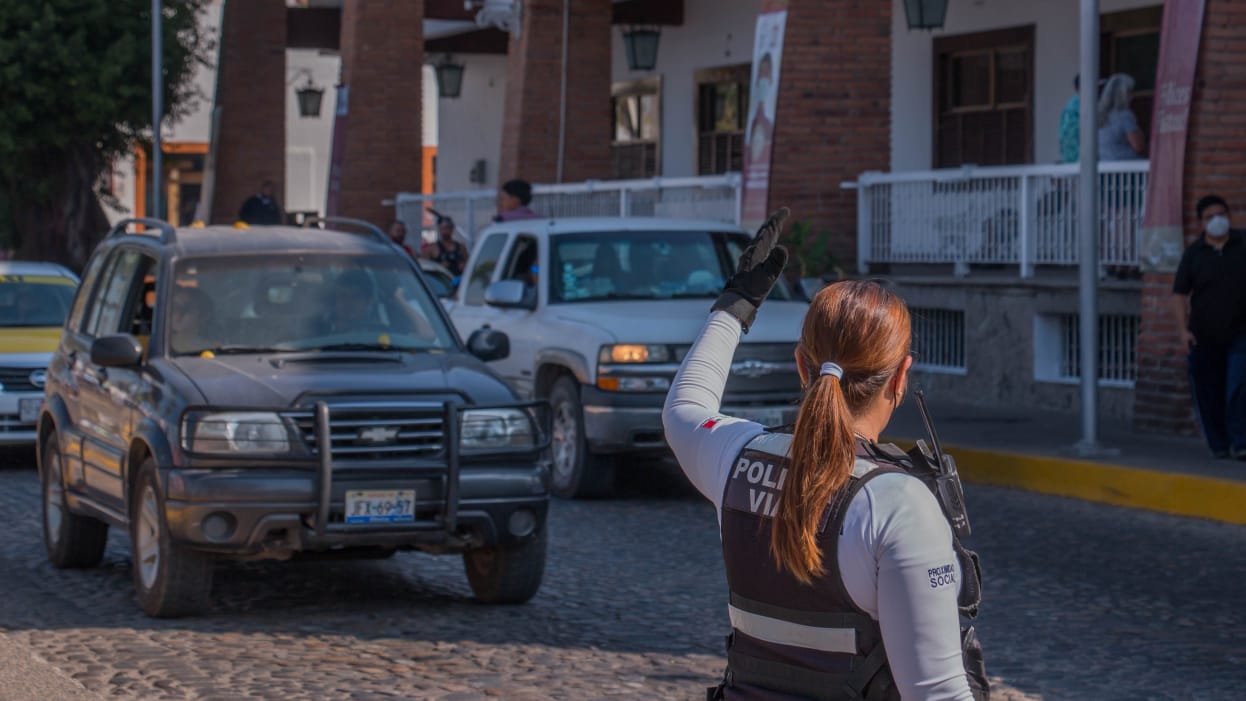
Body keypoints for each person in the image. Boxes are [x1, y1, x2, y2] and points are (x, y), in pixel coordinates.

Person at [663, 209, 988, 701]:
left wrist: (736, 306)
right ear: (901, 378)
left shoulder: (737, 457)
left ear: (801, 365)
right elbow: (938, 694)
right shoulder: (898, 504)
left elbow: (685, 407)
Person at [1173, 194, 1246, 459]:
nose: (1218, 221)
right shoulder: (1193, 254)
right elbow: (1180, 294)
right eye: (1210, 217)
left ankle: (1240, 442)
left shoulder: (1242, 243)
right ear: (1201, 223)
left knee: (1238, 387)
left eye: (1222, 214)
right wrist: (1183, 331)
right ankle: (1219, 444)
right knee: (1209, 392)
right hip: (1203, 336)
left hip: (1240, 334)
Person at [1097, 74, 1146, 161]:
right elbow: (1138, 146)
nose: (1133, 96)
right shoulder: (1124, 116)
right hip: (1124, 168)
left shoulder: (1098, 115)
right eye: (1130, 92)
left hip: (1103, 168)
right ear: (1123, 94)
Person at [1058, 75, 1081, 164]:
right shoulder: (1075, 107)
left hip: (1070, 158)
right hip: (1076, 159)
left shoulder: (1070, 105)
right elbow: (1070, 136)